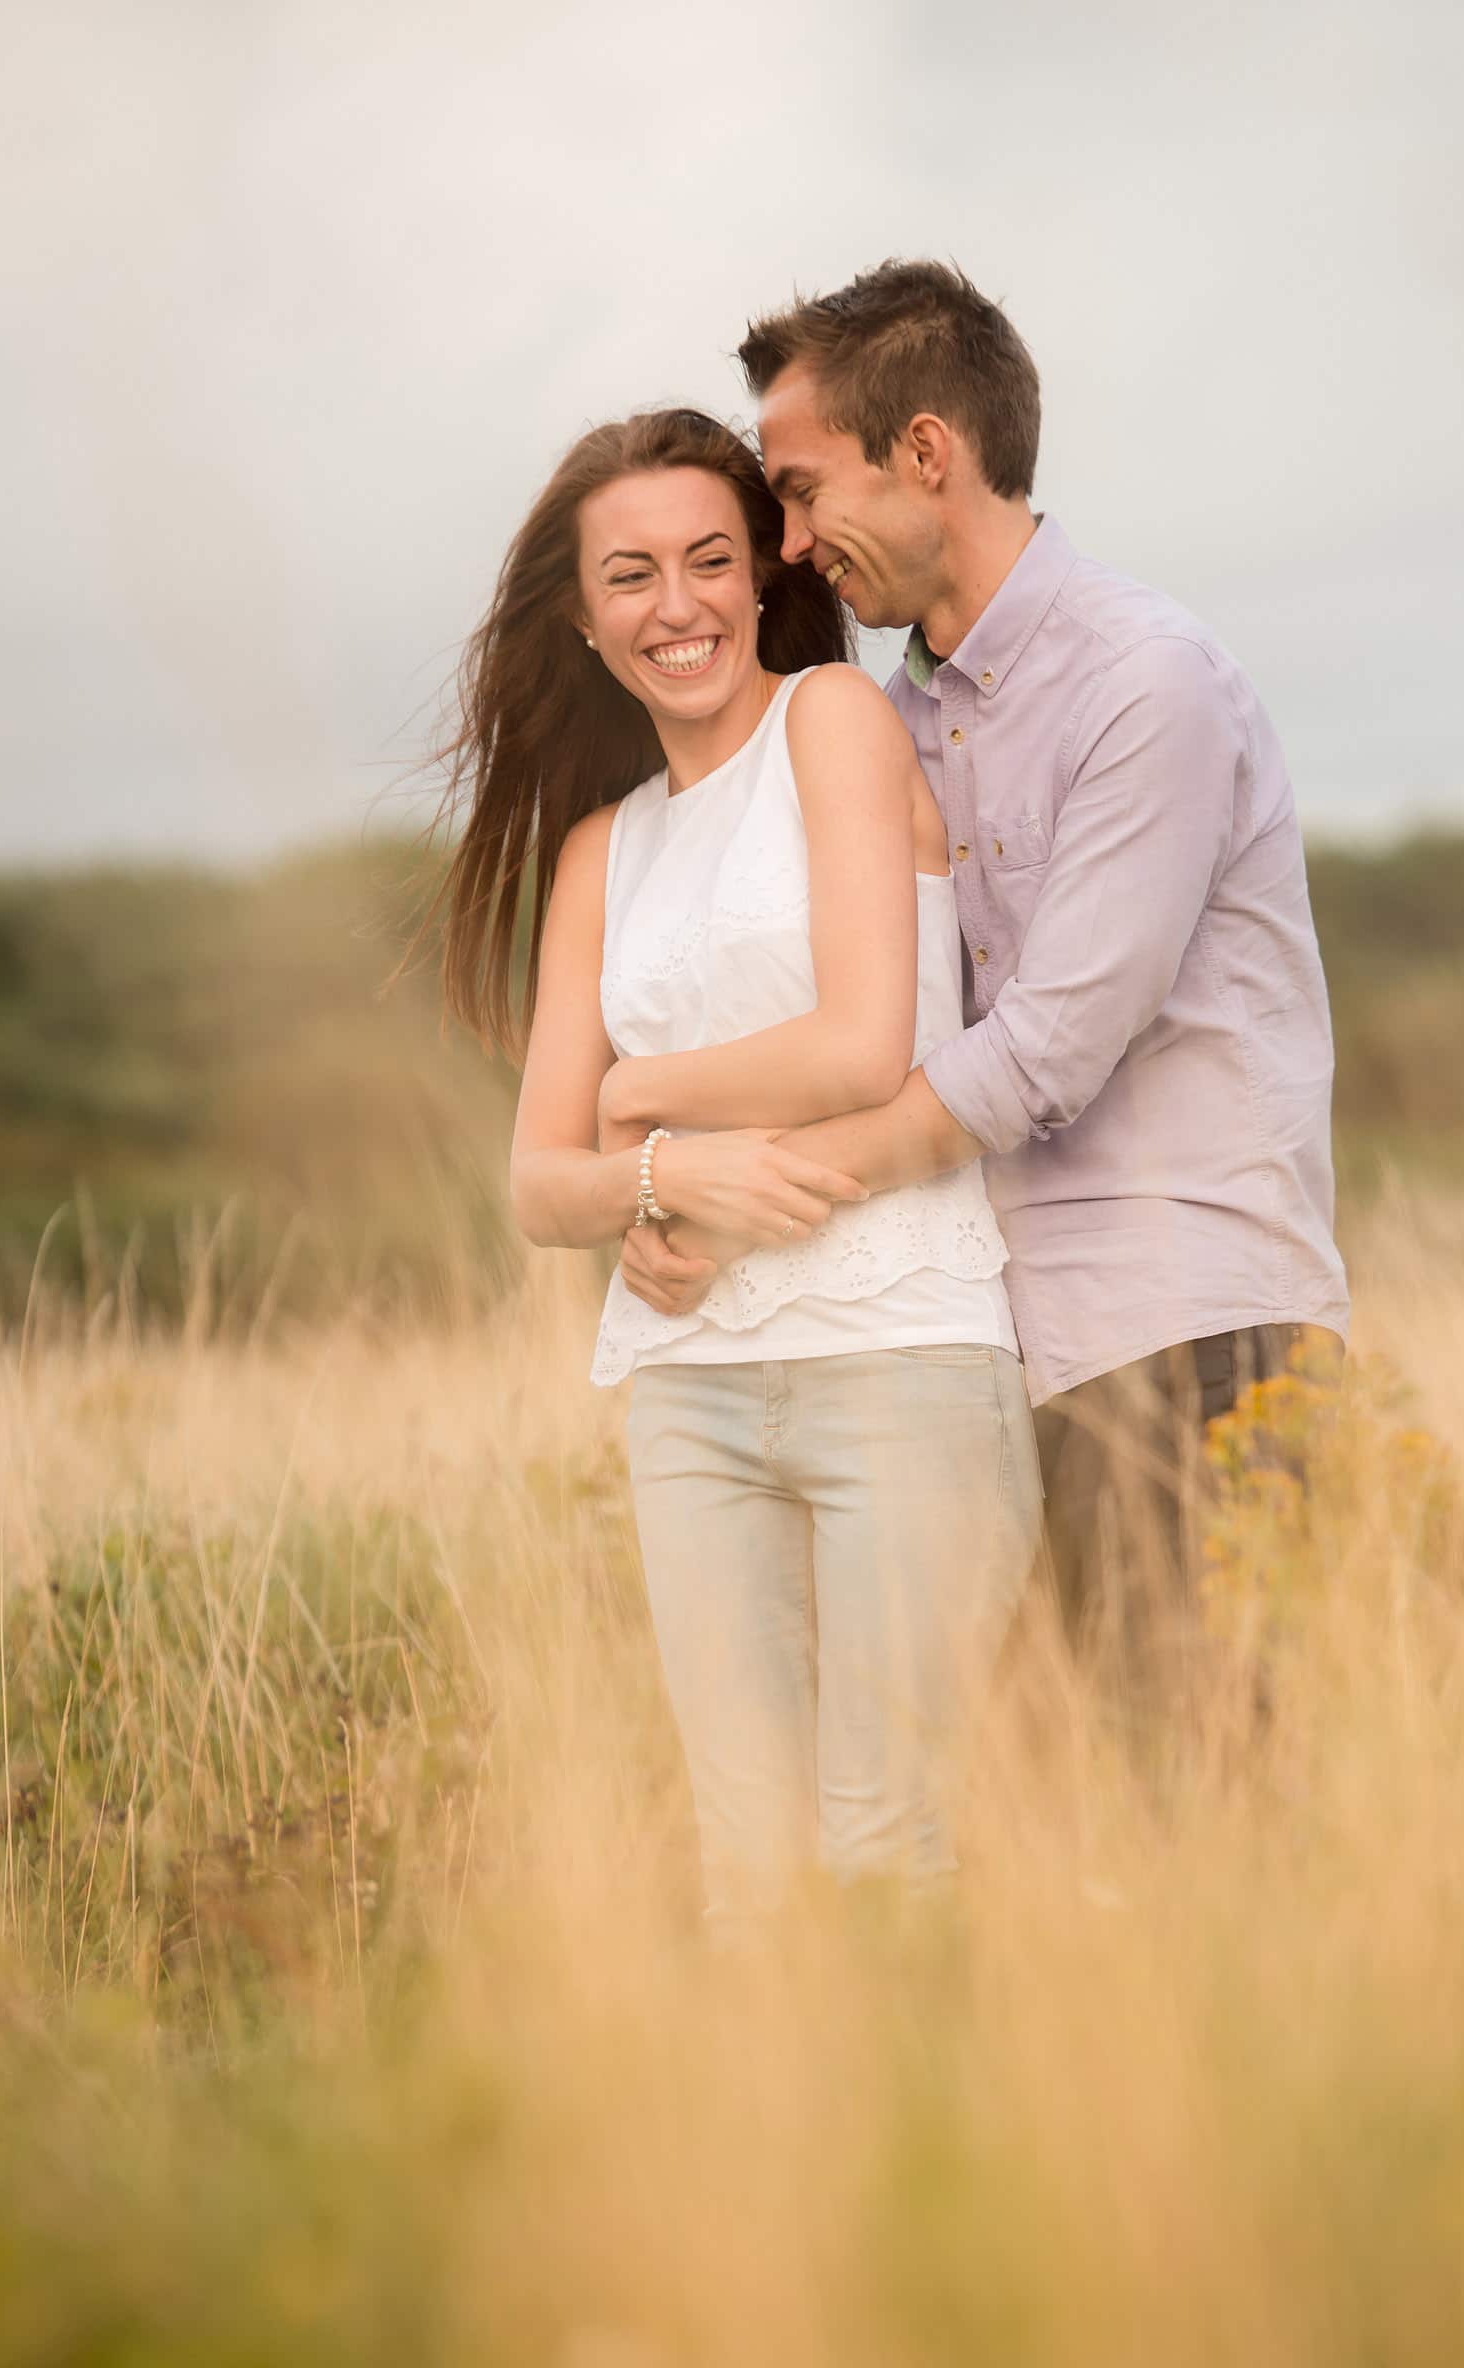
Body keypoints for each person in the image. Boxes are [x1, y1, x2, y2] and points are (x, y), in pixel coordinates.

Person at [621, 263, 1351, 1715]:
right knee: (1035, 1844)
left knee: (1199, 1808)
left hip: (1188, 1326)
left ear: (929, 456)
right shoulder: (892, 727)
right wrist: (674, 1184)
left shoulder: (1149, 685)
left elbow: (1043, 1058)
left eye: (802, 487)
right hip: (987, 1347)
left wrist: (752, 1183)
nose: (786, 539)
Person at [429, 405, 1041, 1924]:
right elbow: (536, 1187)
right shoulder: (602, 850)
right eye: (630, 575)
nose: (678, 603)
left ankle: (930, 2159)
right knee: (750, 1868)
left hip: (899, 1356)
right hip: (692, 1395)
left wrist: (639, 1099)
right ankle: (784, 2166)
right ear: (581, 617)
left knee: (888, 1845)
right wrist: (666, 1180)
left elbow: (857, 1044)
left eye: (710, 559)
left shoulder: (829, 720)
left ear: (762, 575)